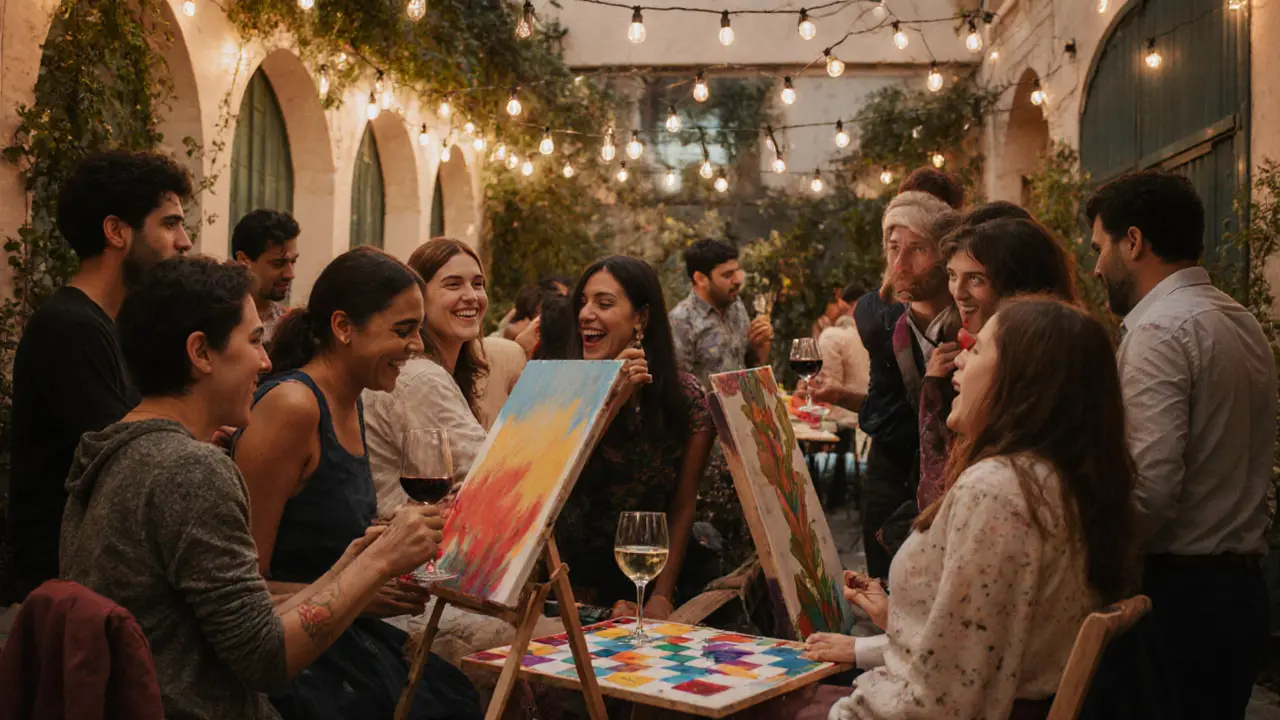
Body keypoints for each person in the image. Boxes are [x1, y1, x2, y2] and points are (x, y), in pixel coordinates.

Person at [59, 256, 445, 719]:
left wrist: (348, 569)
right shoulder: (189, 470)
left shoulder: (114, 448)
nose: (266, 362)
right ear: (201, 353)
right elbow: (266, 660)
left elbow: (247, 619)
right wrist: (378, 564)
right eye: (255, 340)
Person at [798, 298, 1136, 719]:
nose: (958, 360)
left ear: (1021, 381)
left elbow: (942, 701)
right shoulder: (1058, 481)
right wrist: (898, 615)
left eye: (976, 350)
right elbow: (984, 643)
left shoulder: (998, 490)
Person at [233, 247, 480, 720]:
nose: (416, 346)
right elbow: (244, 588)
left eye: (418, 330)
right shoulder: (292, 407)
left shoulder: (354, 398)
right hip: (301, 662)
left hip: (345, 638)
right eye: (403, 330)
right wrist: (362, 588)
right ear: (344, 327)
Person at [1088, 170, 1276, 718]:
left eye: (1099, 248)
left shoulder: (1159, 332)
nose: (1096, 267)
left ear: (1134, 241)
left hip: (1177, 599)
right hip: (1239, 593)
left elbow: (1149, 493)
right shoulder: (1240, 320)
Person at [8, 150, 193, 598]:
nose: (185, 242)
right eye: (170, 224)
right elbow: (130, 463)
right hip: (65, 593)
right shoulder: (71, 329)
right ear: (116, 231)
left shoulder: (115, 326)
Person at [557, 255, 715, 620]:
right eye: (582, 302)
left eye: (604, 303)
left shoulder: (686, 398)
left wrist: (662, 596)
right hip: (567, 580)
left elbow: (682, 506)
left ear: (641, 318)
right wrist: (612, 400)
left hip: (653, 572)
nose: (586, 314)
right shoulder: (560, 390)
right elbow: (553, 487)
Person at [817, 191, 957, 578]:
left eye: (918, 249)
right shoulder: (885, 322)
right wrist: (837, 394)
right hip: (892, 468)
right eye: (894, 247)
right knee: (883, 580)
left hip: (953, 477)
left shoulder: (971, 322)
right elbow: (884, 403)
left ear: (945, 254)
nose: (900, 264)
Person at [915, 212, 1074, 509]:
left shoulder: (1046, 363)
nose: (958, 292)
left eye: (975, 279)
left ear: (1017, 288)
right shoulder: (957, 347)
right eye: (952, 275)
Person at [364, 238, 492, 516]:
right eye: (453, 285)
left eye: (478, 283)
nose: (471, 296)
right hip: (402, 538)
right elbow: (490, 475)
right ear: (418, 299)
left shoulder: (429, 371)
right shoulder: (420, 377)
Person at [669, 238, 773, 389]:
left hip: (744, 401)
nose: (737, 280)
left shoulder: (736, 306)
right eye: (727, 275)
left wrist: (760, 345)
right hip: (706, 404)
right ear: (701, 279)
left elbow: (749, 366)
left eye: (737, 271)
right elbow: (677, 387)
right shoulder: (681, 320)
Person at [232, 208, 301, 344]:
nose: (290, 274)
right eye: (278, 263)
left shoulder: (290, 327)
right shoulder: (220, 323)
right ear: (243, 260)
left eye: (293, 261)